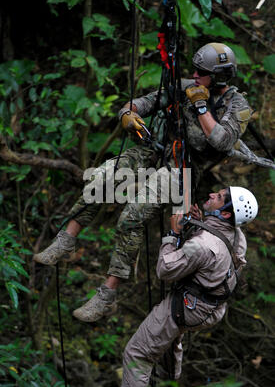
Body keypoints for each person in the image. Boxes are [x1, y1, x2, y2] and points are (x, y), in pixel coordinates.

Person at [33, 42, 254, 323]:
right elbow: (145, 102)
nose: (195, 76)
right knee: (101, 178)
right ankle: (66, 241)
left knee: (132, 216)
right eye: (195, 71)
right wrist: (128, 113)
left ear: (220, 76)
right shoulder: (187, 86)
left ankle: (107, 295)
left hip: (183, 167)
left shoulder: (237, 106)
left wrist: (200, 105)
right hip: (156, 148)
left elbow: (222, 141)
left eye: (202, 72)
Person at [120, 186, 258, 387]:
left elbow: (165, 269)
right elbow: (217, 255)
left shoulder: (203, 245)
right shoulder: (237, 236)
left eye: (220, 197)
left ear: (225, 213)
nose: (212, 194)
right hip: (211, 308)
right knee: (166, 343)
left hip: (187, 306)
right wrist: (201, 223)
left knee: (138, 353)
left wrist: (173, 234)